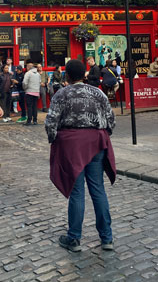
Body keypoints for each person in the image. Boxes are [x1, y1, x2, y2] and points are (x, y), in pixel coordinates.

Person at [45, 59, 116, 253]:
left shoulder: (62, 94)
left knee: (77, 192)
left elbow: (50, 123)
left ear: (67, 75)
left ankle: (74, 238)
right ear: (85, 74)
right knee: (98, 189)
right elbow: (111, 120)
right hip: (96, 143)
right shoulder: (99, 93)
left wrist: (55, 140)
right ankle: (107, 238)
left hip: (72, 146)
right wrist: (101, 136)